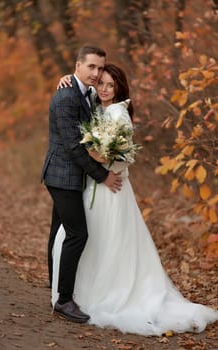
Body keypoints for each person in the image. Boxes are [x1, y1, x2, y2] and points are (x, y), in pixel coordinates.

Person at [52, 64, 218, 335]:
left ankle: (110, 293)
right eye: (101, 84)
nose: (104, 89)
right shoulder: (96, 104)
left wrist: (95, 157)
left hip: (111, 188)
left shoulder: (119, 114)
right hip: (93, 185)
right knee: (86, 238)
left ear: (119, 89)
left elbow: (124, 157)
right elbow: (80, 86)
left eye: (110, 86)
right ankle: (73, 293)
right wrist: (67, 77)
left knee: (110, 242)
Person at [41, 47, 123, 324]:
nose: (96, 73)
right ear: (78, 65)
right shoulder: (66, 96)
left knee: (59, 231)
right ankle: (64, 299)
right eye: (91, 67)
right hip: (62, 175)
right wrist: (102, 176)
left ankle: (55, 287)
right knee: (78, 234)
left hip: (69, 174)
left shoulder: (83, 91)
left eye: (100, 68)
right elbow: (74, 148)